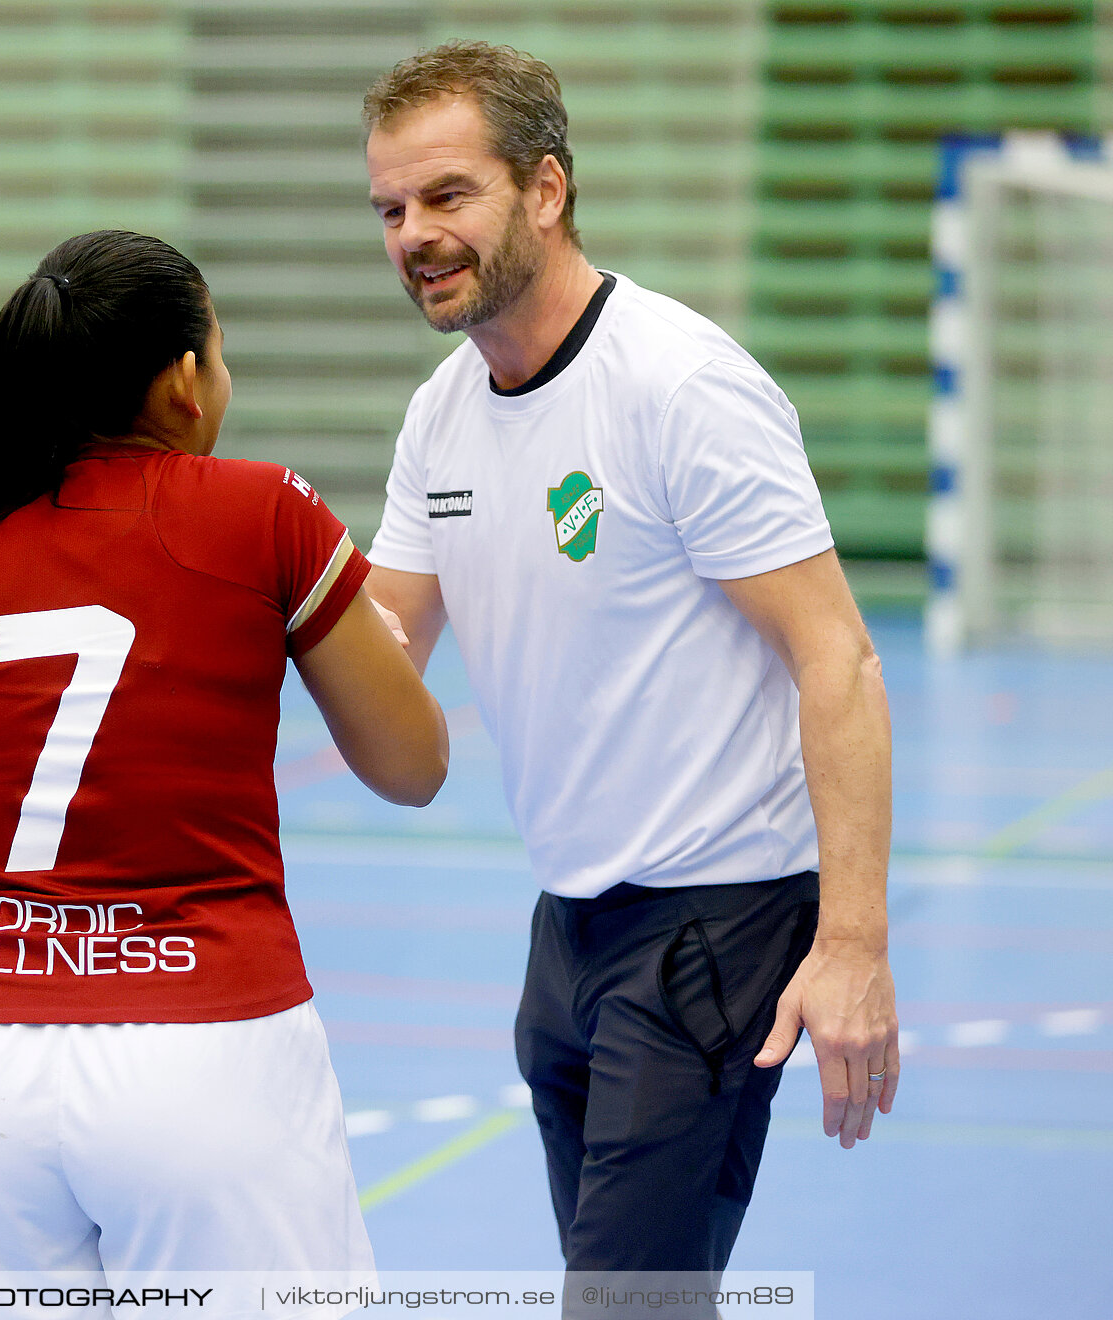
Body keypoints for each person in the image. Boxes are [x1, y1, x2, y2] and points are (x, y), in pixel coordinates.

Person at [0, 230, 446, 1288]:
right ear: (184, 382)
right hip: (210, 1047)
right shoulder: (267, 509)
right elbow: (413, 765)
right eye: (220, 354)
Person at [358, 43, 897, 1312]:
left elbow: (839, 658)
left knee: (621, 1301)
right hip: (567, 927)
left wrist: (855, 945)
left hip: (716, 922)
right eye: (390, 210)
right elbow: (380, 650)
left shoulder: (680, 385)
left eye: (447, 196)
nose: (414, 237)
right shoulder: (442, 413)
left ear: (545, 190)